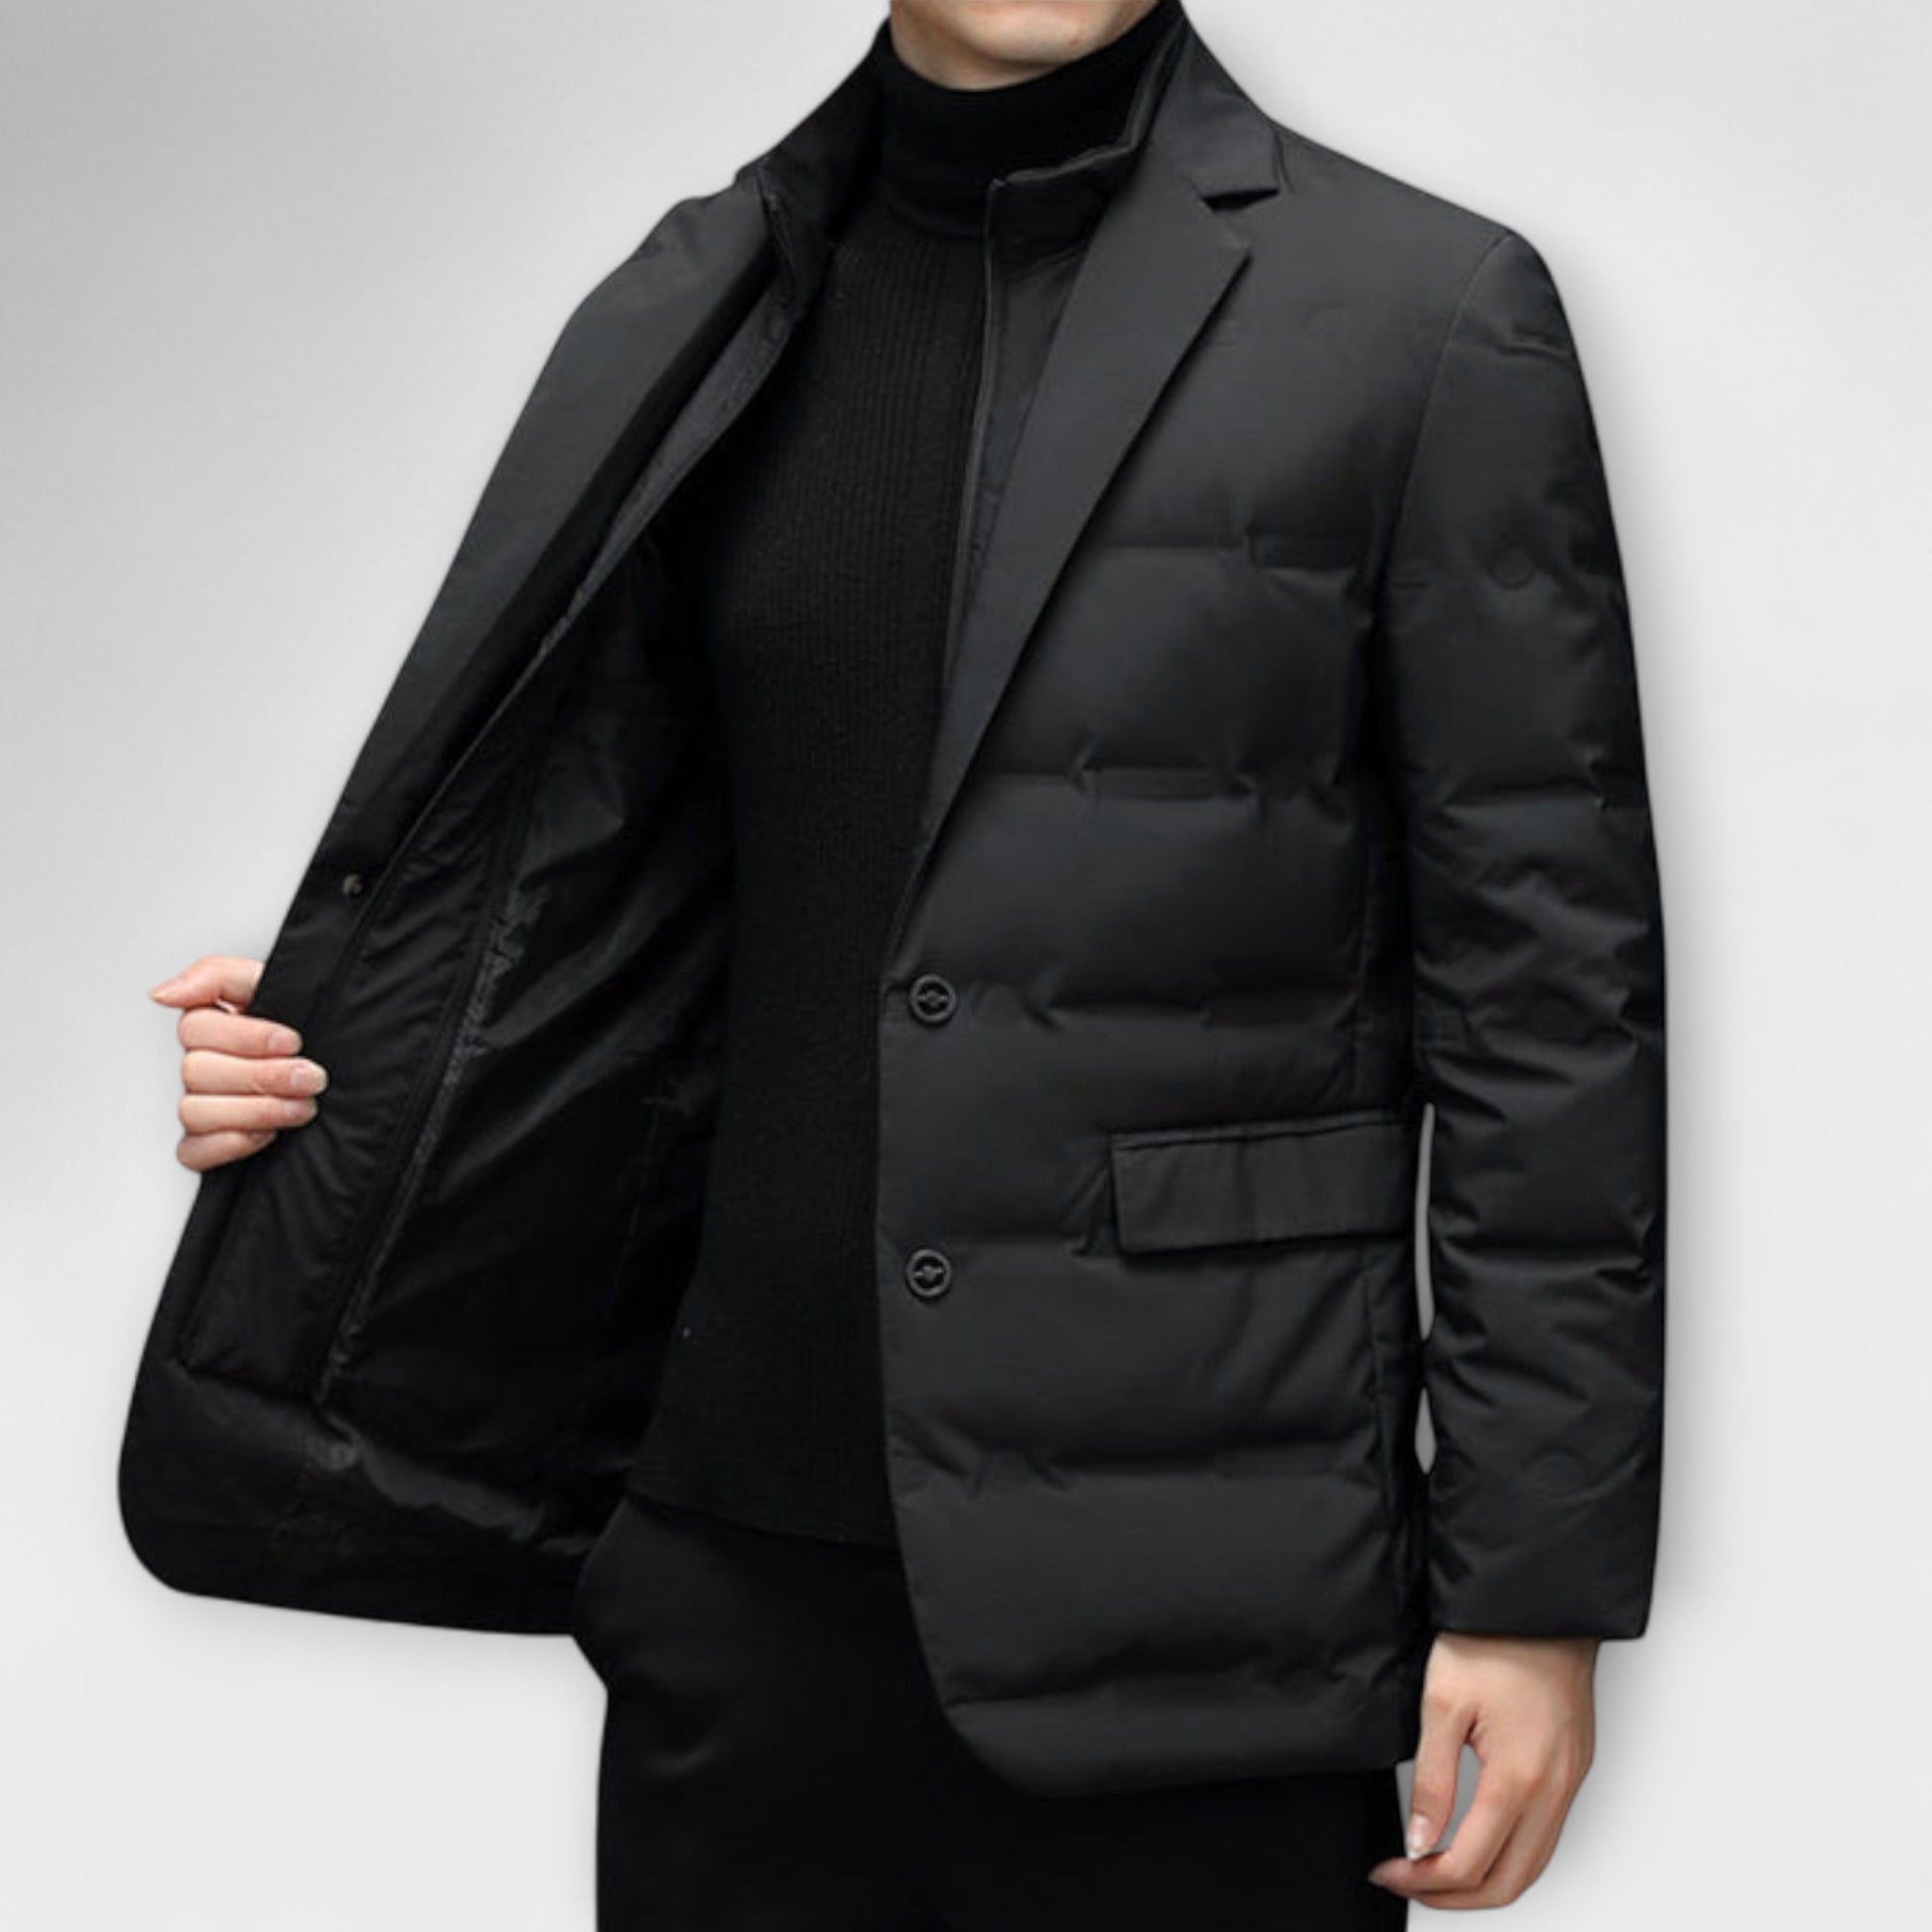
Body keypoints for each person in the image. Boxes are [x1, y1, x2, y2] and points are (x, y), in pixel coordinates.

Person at [132, 2, 1666, 1926]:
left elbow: (1550, 1010)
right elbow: (614, 913)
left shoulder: (1426, 312)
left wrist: (1530, 1588)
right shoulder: (697, 301)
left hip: (1202, 1594)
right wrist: (341, 1060)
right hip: (731, 1585)